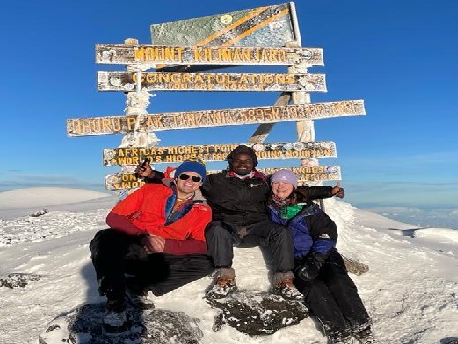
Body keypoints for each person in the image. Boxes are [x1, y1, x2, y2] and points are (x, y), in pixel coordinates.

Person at [138, 145, 344, 300]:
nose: (243, 164)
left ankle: (285, 281)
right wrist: (152, 175)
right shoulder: (215, 181)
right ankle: (225, 278)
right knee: (216, 228)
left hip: (258, 227)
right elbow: (183, 182)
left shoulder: (265, 182)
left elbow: (297, 190)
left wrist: (329, 191)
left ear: (254, 163)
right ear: (230, 162)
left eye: (247, 160)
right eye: (238, 160)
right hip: (228, 227)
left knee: (280, 231)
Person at [89, 159, 214, 330]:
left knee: (205, 264)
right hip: (135, 244)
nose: (189, 181)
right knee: (105, 238)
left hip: (162, 255)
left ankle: (137, 287)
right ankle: (115, 301)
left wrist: (166, 246)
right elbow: (114, 217)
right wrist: (142, 237)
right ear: (177, 178)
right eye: (185, 176)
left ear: (201, 183)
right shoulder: (150, 190)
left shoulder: (203, 209)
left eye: (196, 178)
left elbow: (200, 244)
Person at [268, 169, 374, 344]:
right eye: (276, 183)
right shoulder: (268, 208)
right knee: (314, 289)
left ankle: (362, 326)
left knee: (338, 281)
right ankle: (339, 332)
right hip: (294, 259)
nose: (280, 187)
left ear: (293, 186)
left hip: (323, 254)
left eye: (285, 183)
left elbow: (326, 234)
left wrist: (316, 260)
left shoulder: (308, 209)